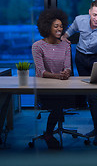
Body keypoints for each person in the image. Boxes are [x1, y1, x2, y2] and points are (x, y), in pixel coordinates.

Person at [61, 0, 97, 145]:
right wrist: (64, 37)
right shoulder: (80, 20)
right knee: (90, 96)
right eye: (95, 14)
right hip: (81, 58)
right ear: (90, 12)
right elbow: (70, 30)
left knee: (96, 95)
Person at [32, 8, 72, 149]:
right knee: (57, 105)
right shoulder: (37, 46)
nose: (59, 29)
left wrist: (66, 72)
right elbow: (41, 71)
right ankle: (49, 133)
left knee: (62, 102)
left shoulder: (66, 44)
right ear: (47, 26)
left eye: (61, 26)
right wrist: (57, 76)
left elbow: (68, 66)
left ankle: (50, 131)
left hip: (62, 85)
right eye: (56, 26)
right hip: (45, 87)